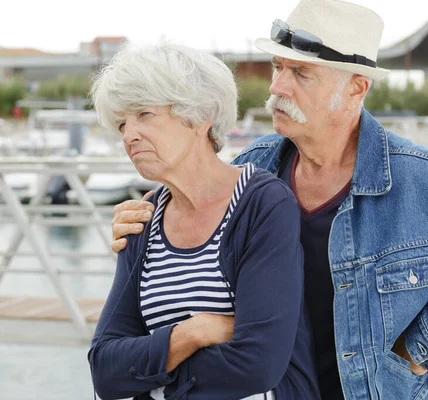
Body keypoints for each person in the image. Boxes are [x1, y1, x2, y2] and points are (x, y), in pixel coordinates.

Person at [109, 1, 428, 399]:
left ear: (356, 89)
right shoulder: (252, 169)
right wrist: (146, 216)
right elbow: (190, 211)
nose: (278, 88)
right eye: (277, 68)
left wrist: (421, 346)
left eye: (301, 73)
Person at [87, 41, 320, 400]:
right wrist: (194, 333)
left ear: (199, 117)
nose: (129, 135)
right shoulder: (143, 220)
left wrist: (156, 373)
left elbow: (258, 365)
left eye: (144, 115)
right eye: (121, 123)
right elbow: (105, 370)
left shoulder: (261, 203)